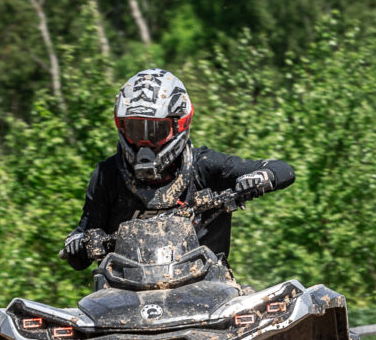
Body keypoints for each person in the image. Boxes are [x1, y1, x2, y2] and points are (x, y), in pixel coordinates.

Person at [61, 69, 294, 274]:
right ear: (121, 127)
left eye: (155, 131)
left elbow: (282, 169)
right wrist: (78, 244)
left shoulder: (204, 165)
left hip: (206, 284)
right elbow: (80, 251)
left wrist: (261, 178)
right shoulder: (108, 175)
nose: (144, 144)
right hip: (124, 289)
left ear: (180, 124)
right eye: (135, 129)